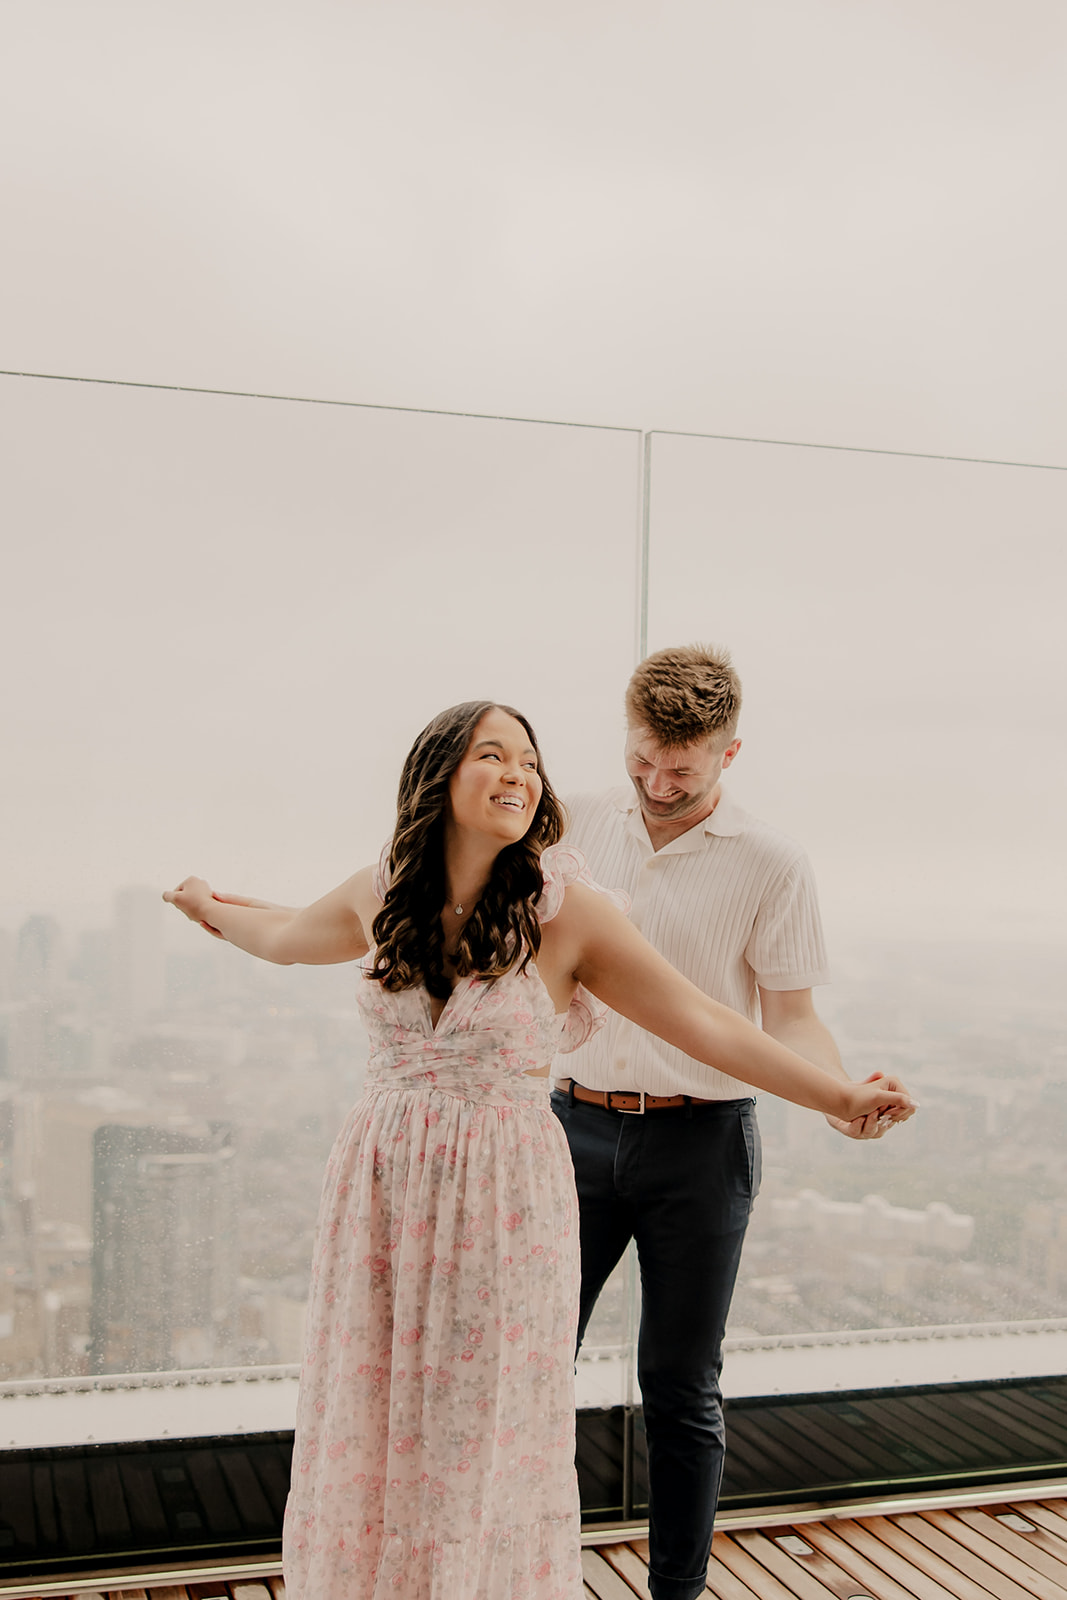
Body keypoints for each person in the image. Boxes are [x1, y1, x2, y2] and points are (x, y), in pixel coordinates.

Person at [164, 699, 912, 1600]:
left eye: (529, 760)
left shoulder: (570, 913)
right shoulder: (382, 890)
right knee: (371, 1407)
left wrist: (837, 1095)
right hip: (380, 1192)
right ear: (438, 775)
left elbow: (706, 1023)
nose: (520, 774)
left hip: (503, 1198)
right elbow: (284, 938)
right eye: (493, 755)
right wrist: (208, 904)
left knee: (479, 1424)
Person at [554, 644, 913, 1600]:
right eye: (642, 759)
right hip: (568, 1131)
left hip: (701, 1145)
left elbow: (790, 1015)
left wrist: (839, 1101)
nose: (656, 784)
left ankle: (677, 1593)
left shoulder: (773, 861)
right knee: (528, 1367)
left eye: (682, 767)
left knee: (680, 1388)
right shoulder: (577, 820)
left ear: (730, 752)